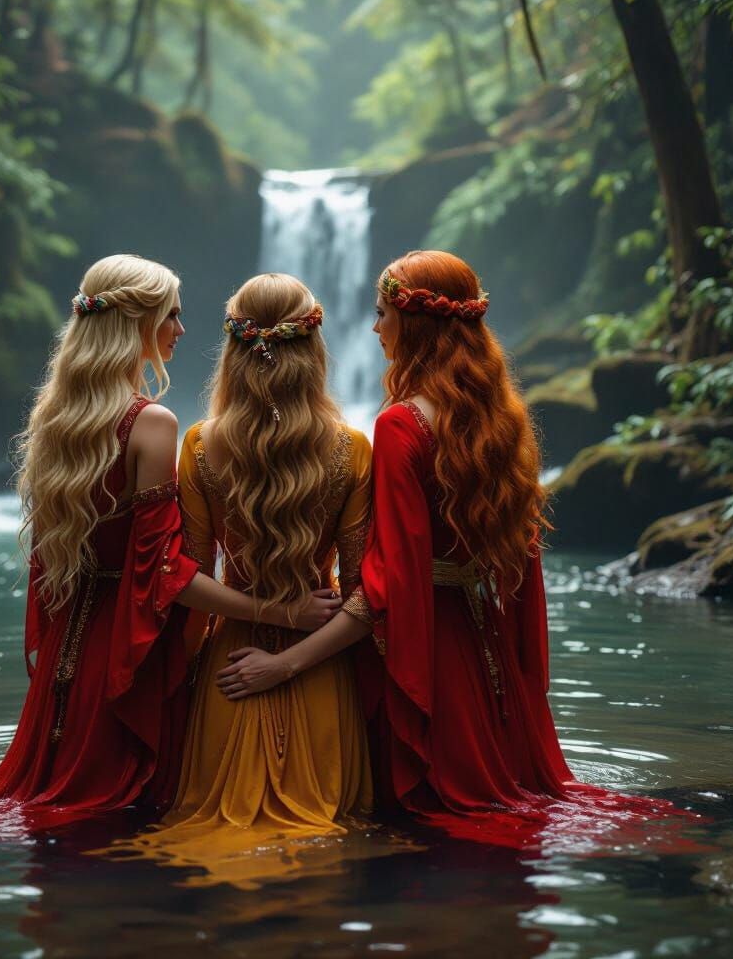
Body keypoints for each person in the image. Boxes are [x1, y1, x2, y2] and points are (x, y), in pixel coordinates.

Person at [217, 250, 697, 850]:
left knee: (440, 814)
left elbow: (388, 585)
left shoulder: (400, 427)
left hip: (430, 647)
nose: (373, 329)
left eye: (382, 313)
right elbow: (519, 557)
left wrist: (285, 663)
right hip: (485, 633)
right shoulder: (500, 418)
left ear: (412, 324)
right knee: (516, 795)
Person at [0, 256, 341, 839]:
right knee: (114, 807)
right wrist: (278, 612)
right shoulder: (153, 424)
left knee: (46, 793)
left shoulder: (56, 419)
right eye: (173, 314)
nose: (182, 329)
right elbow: (169, 574)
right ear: (140, 325)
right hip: (125, 644)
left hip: (70, 640)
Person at [101, 273, 379, 887]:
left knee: (206, 833)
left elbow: (183, 577)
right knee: (330, 846)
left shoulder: (201, 445)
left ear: (233, 350)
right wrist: (289, 660)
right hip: (322, 664)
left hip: (231, 665)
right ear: (315, 351)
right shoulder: (354, 448)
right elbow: (368, 600)